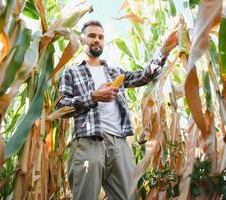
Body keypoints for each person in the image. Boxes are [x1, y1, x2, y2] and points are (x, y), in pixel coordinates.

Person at [58, 20, 178, 200]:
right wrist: (94, 97)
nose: (97, 40)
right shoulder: (71, 72)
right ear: (82, 40)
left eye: (100, 37)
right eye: (91, 36)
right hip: (88, 142)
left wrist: (163, 51)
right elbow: (61, 108)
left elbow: (144, 76)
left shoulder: (115, 72)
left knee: (130, 196)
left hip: (119, 143)